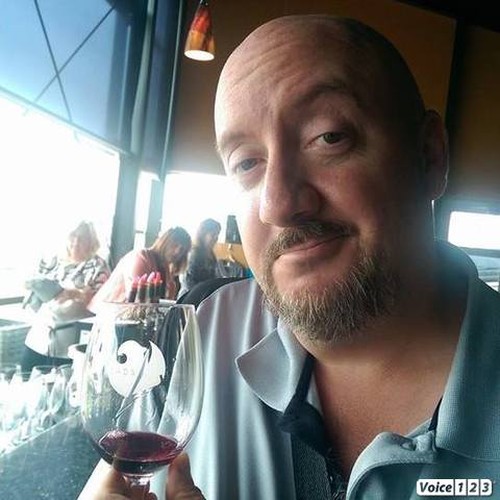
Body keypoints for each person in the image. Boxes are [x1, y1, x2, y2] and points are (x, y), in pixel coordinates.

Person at [85, 14, 500, 500]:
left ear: (429, 156)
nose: (278, 205)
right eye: (246, 162)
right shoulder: (203, 335)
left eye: (329, 137)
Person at [21, 220, 110, 372]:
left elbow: (101, 302)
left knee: (62, 382)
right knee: (26, 377)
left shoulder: (98, 266)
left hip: (69, 345)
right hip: (38, 338)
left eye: (82, 238)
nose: (76, 242)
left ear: (91, 242)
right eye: (72, 236)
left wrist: (73, 293)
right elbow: (32, 283)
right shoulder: (53, 261)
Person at [88, 226, 191, 311]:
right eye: (175, 245)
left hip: (123, 317)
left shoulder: (166, 271)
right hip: (106, 316)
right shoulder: (142, 257)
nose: (177, 252)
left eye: (182, 249)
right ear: (165, 241)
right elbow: (139, 301)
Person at [179, 218, 222, 296]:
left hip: (204, 295)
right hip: (191, 296)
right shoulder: (194, 254)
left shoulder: (211, 254)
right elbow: (189, 282)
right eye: (213, 235)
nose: (216, 238)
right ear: (203, 234)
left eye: (217, 235)